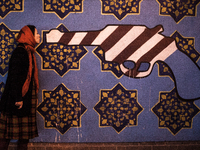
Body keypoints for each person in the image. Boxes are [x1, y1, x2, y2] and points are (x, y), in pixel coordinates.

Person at [0, 25, 40, 150]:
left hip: (25, 98)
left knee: (23, 136)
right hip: (18, 98)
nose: (39, 36)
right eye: (36, 33)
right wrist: (18, 98)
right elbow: (14, 77)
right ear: (30, 36)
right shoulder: (21, 52)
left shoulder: (28, 51)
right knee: (7, 135)